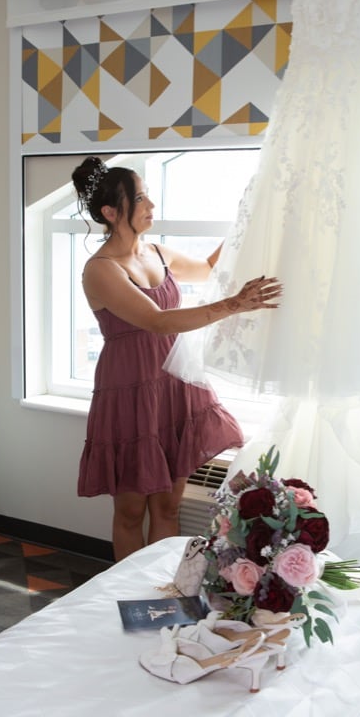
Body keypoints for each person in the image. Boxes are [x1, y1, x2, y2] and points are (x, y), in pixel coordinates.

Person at [71, 156, 282, 561]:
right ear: (111, 212)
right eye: (140, 198)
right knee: (130, 512)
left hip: (173, 386)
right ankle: (129, 589)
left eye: (148, 195)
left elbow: (207, 268)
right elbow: (158, 321)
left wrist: (249, 218)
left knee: (168, 506)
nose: (151, 205)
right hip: (129, 392)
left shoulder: (156, 252)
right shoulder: (100, 269)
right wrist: (235, 304)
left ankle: (162, 588)